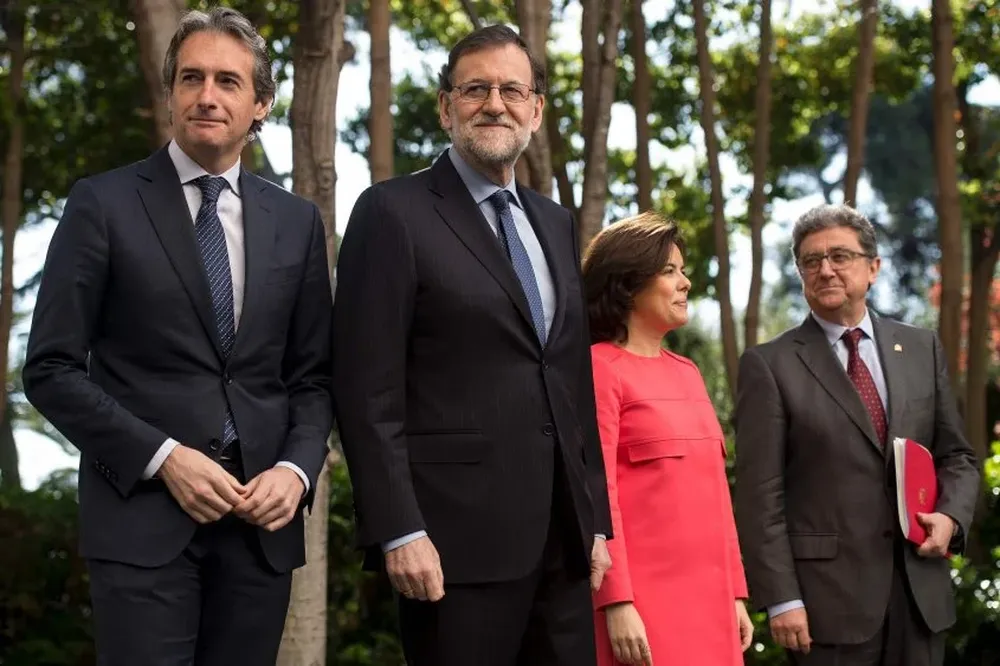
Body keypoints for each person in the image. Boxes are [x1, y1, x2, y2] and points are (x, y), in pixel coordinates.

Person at [21, 7, 333, 665]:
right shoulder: (101, 205)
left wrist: (297, 469)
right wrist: (164, 457)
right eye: (191, 78)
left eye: (227, 81)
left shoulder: (298, 222)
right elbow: (50, 368)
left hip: (260, 532)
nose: (207, 96)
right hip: (140, 522)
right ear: (170, 94)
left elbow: (313, 377)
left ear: (260, 105)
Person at [332, 24, 613, 666]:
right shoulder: (391, 213)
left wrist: (594, 518)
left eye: (512, 90)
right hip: (450, 547)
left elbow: (570, 384)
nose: (495, 103)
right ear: (445, 106)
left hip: (563, 546)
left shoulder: (554, 223)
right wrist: (399, 527)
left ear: (536, 110)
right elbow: (364, 389)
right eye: (475, 88)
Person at [734, 204, 980, 666]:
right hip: (827, 607)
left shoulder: (921, 348)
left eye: (840, 256)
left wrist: (950, 519)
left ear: (873, 268)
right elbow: (759, 496)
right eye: (811, 261)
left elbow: (958, 457)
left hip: (919, 598)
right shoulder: (769, 365)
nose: (825, 269)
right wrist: (782, 599)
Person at [581, 212, 754, 666]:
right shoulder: (598, 368)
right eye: (669, 271)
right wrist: (616, 603)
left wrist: (735, 593)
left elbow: (717, 496)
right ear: (627, 283)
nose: (686, 283)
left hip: (712, 608)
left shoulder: (689, 374)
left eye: (683, 270)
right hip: (643, 612)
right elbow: (599, 495)